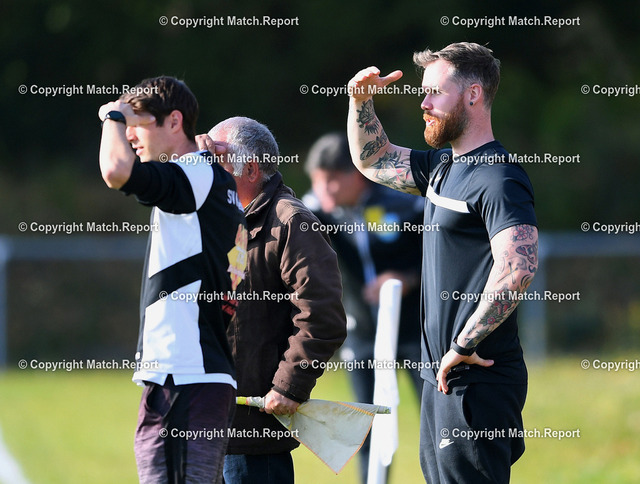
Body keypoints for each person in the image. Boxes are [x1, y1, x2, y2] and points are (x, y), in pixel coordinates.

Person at [346, 42, 539, 483]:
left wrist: (463, 345)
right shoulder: (443, 166)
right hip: (444, 375)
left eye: (435, 92)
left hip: (477, 376)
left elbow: (519, 268)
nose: (424, 103)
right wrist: (360, 101)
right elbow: (374, 159)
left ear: (472, 95)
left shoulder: (499, 177)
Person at [98, 76, 247, 484]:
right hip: (194, 376)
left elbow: (115, 171)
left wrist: (111, 115)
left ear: (175, 121)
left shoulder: (196, 174)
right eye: (125, 124)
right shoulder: (212, 178)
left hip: (185, 378)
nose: (128, 135)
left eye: (137, 123)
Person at [196, 117, 347, 484]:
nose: (205, 165)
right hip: (206, 420)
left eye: (215, 157)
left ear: (250, 169)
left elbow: (322, 315)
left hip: (252, 431)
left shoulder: (292, 221)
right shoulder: (215, 216)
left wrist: (289, 386)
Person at [303, 132, 423, 482]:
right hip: (361, 336)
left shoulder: (406, 204)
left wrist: (406, 279)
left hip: (415, 333)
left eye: (331, 180)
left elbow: (441, 259)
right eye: (316, 181)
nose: (322, 190)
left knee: (436, 424)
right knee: (367, 432)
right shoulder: (313, 213)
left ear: (356, 175)